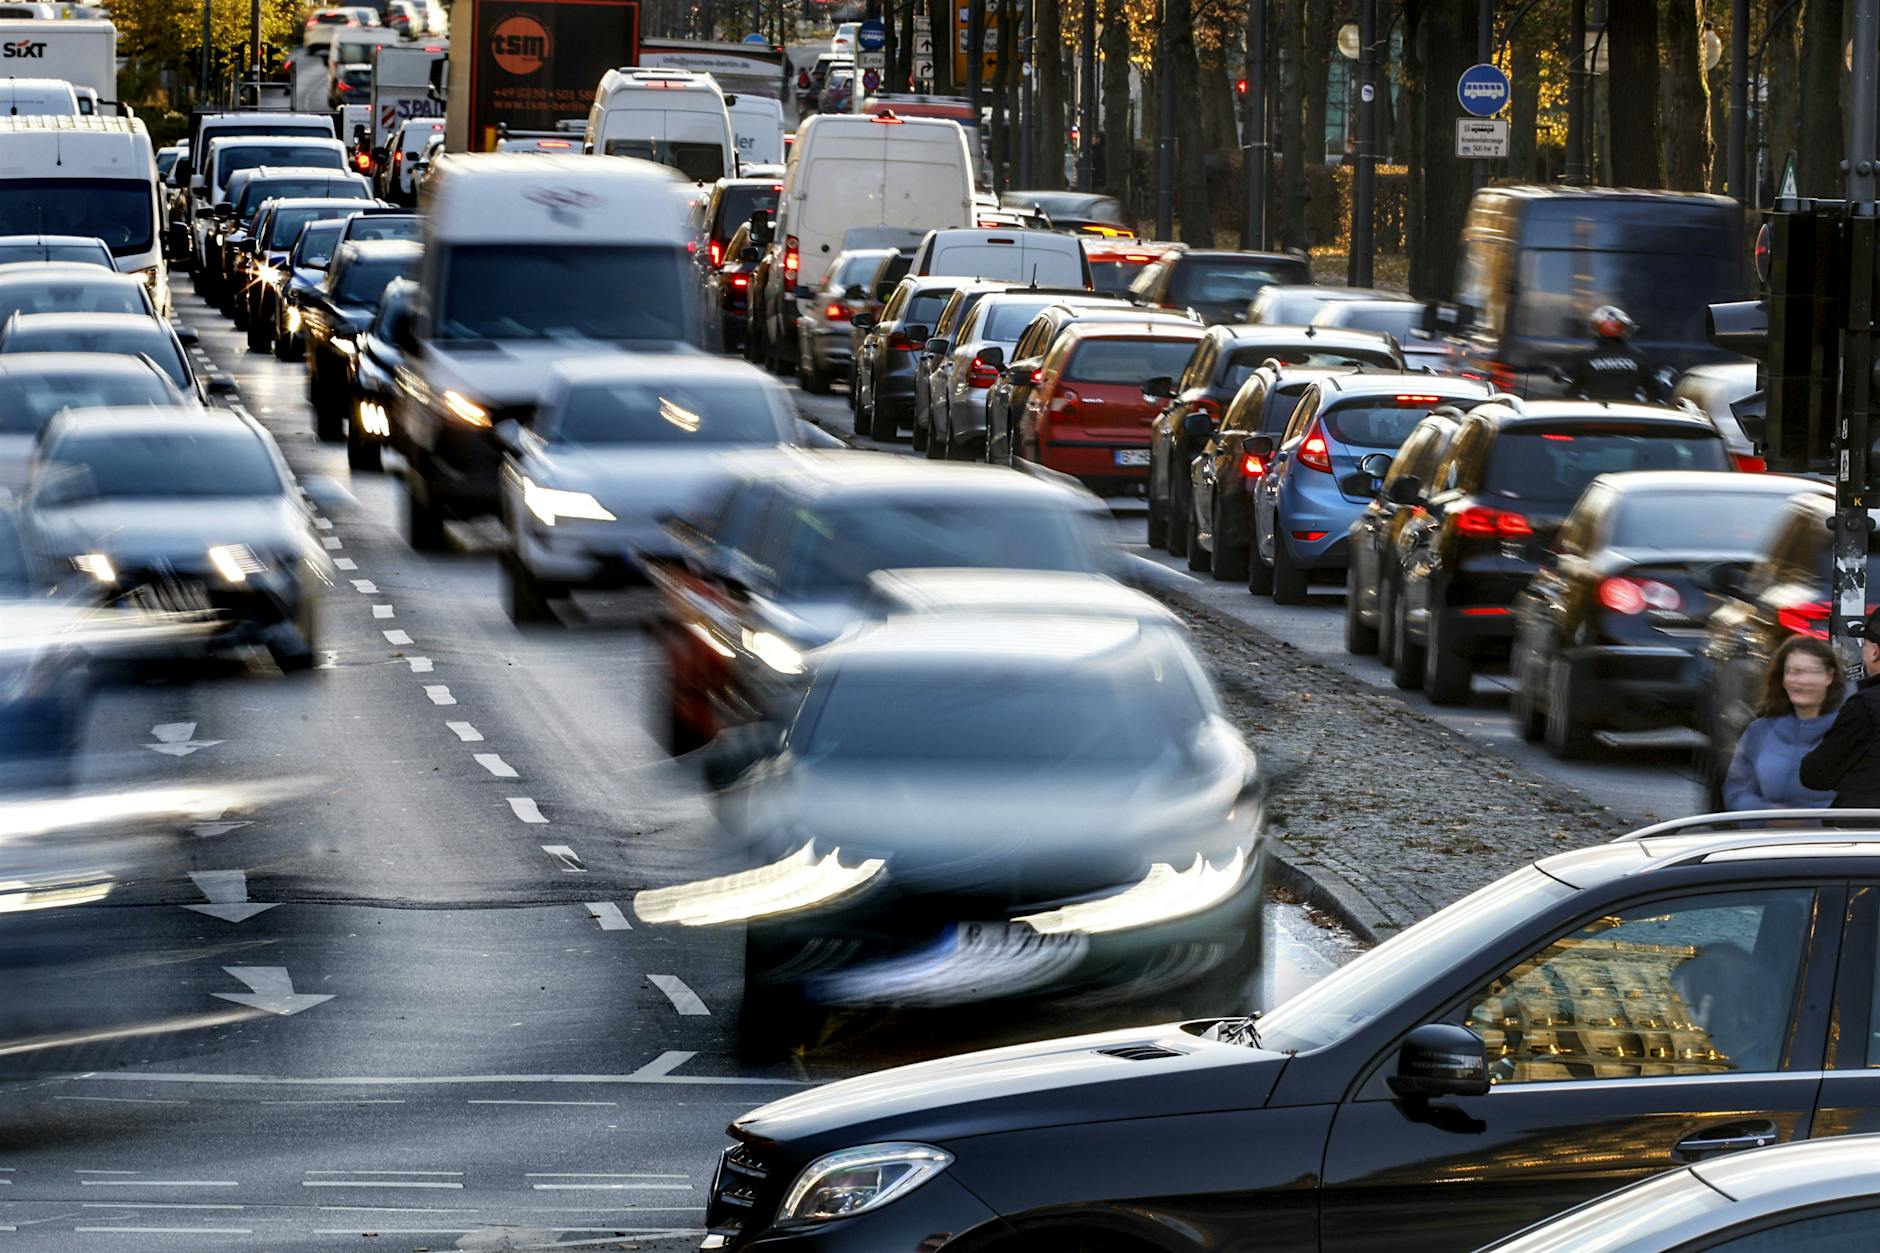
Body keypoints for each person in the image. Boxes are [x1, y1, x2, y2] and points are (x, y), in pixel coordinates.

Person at [1723, 635, 1842, 811]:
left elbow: (1864, 795)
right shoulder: (1760, 731)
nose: (1800, 681)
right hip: (1772, 836)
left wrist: (1813, 821)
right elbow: (1736, 791)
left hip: (1836, 837)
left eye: (1811, 672)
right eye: (1792, 671)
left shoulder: (1851, 728)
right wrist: (1768, 815)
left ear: (1829, 676)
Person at [1800, 611, 1880, 806]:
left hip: (1864, 830)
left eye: (1866, 645)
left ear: (1875, 651)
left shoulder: (1865, 706)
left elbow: (1816, 773)